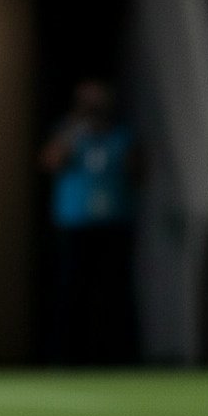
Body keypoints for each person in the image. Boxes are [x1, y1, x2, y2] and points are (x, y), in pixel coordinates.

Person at [38, 78, 140, 365]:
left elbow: (139, 173)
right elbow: (50, 161)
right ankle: (65, 357)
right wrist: (74, 130)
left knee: (113, 294)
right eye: (88, 102)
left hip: (113, 224)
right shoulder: (69, 133)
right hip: (75, 224)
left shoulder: (121, 135)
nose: (94, 108)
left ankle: (117, 357)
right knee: (71, 292)